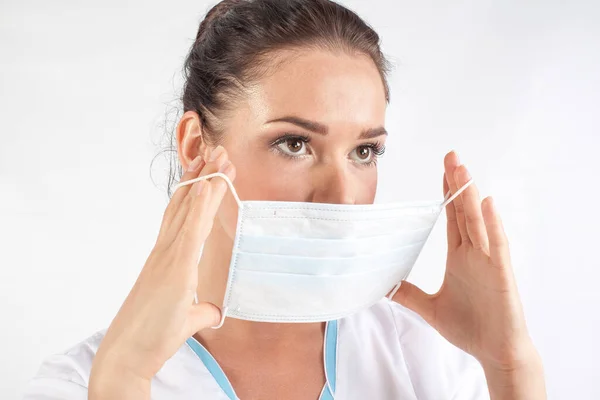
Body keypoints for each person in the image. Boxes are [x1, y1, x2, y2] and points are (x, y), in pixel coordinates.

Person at [23, 0, 547, 399]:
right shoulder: (81, 382)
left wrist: (510, 369)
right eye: (294, 145)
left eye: (365, 151)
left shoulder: (432, 365)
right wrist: (125, 376)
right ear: (195, 144)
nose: (342, 199)